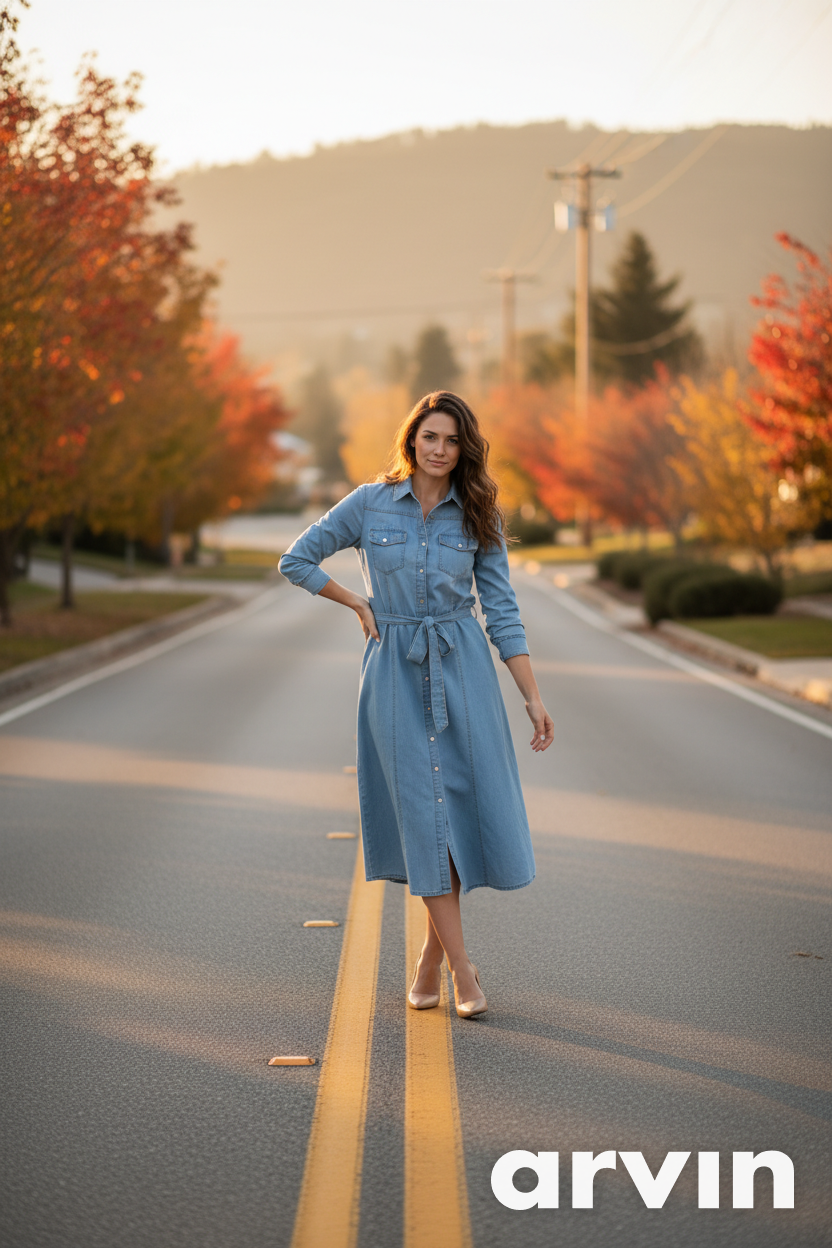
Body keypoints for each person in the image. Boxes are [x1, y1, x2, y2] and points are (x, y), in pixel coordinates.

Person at [278, 390, 553, 1018]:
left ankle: (430, 962)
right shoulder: (370, 502)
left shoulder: (478, 514)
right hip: (395, 673)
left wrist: (532, 697)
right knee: (423, 817)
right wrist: (355, 602)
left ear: (466, 449)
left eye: (452, 440)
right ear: (411, 440)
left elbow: (502, 611)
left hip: (465, 674)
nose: (440, 450)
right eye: (430, 437)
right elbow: (295, 559)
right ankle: (464, 972)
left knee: (455, 815)